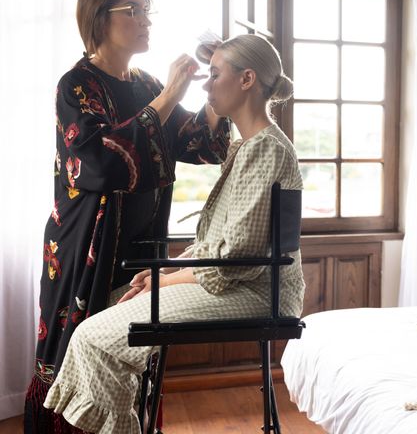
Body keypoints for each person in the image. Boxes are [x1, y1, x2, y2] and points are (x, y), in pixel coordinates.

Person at [42, 33, 305, 433]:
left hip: (257, 293)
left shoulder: (265, 149)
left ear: (247, 79)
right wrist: (163, 275)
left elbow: (231, 263)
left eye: (215, 74)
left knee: (94, 339)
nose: (206, 84)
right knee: (111, 305)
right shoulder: (248, 146)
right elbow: (218, 246)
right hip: (239, 282)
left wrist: (167, 278)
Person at [25, 0, 231, 433]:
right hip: (85, 248)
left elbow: (198, 145)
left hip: (142, 247)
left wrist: (216, 90)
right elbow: (100, 162)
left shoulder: (144, 83)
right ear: (100, 19)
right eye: (132, 11)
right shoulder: (77, 85)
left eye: (147, 11)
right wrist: (170, 95)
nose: (145, 21)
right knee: (77, 347)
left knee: (135, 353)